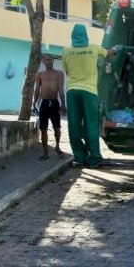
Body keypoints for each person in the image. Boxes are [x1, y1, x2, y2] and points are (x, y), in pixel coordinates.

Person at [62, 24, 115, 168]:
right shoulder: (94, 48)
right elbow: (108, 52)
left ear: (73, 35)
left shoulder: (66, 51)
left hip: (72, 91)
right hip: (89, 92)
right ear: (85, 35)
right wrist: (116, 49)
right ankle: (95, 158)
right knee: (91, 124)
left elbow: (66, 72)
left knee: (73, 125)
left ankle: (79, 157)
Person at [33, 54, 66, 161]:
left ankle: (57, 146)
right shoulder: (39, 74)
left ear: (53, 60)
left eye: (50, 60)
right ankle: (46, 152)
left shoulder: (59, 74)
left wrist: (63, 104)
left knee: (57, 127)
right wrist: (34, 103)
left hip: (54, 102)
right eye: (46, 60)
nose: (49, 62)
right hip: (44, 103)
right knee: (43, 129)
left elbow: (61, 89)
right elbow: (37, 89)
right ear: (43, 61)